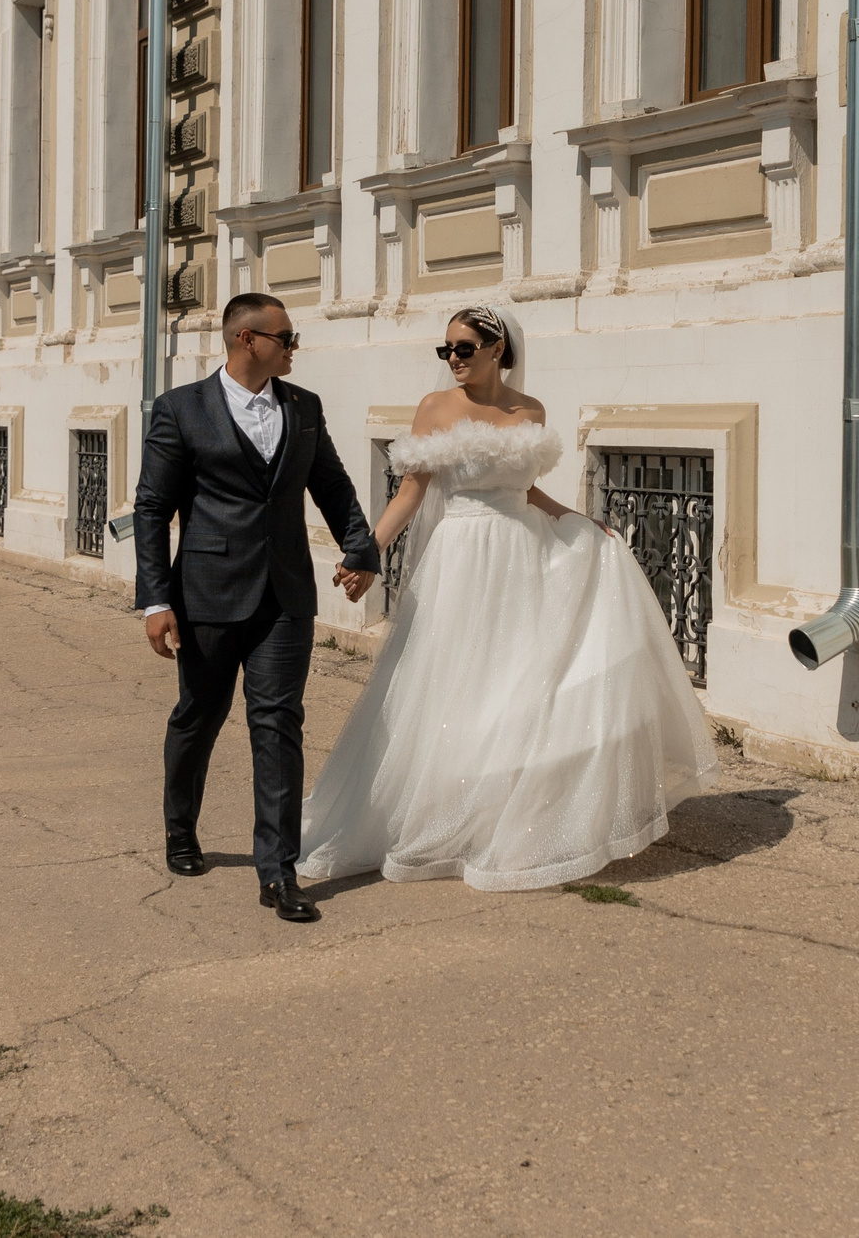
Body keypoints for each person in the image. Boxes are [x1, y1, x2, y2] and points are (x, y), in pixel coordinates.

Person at [297, 304, 718, 893]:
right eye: (445, 349)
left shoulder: (531, 410)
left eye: (464, 348)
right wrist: (366, 551)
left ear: (497, 349)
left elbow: (526, 489)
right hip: (462, 558)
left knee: (517, 683)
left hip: (525, 554)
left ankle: (509, 816)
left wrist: (578, 519)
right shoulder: (435, 407)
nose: (453, 359)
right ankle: (439, 812)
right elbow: (412, 492)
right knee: (454, 683)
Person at [133, 292, 379, 923]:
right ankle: (181, 830)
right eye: (286, 337)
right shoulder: (181, 409)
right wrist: (155, 599)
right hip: (206, 594)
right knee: (199, 716)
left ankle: (278, 873)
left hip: (285, 597)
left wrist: (360, 548)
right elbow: (153, 509)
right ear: (247, 339)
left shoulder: (303, 406)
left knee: (278, 725)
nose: (294, 347)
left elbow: (332, 486)